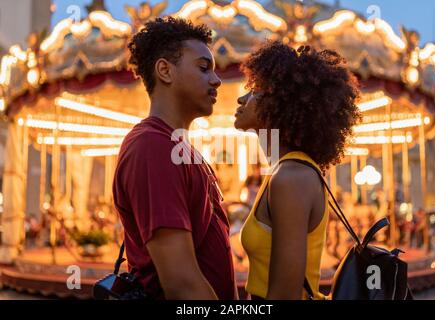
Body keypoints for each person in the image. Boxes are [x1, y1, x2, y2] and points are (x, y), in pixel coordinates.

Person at [113, 17, 236, 300]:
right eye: (204, 68)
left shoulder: (178, 147)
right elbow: (182, 284)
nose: (216, 79)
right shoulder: (152, 147)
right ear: (165, 71)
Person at [234, 42, 361, 299]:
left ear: (279, 104)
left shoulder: (291, 177)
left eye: (254, 90)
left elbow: (284, 295)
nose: (242, 98)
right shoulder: (284, 171)